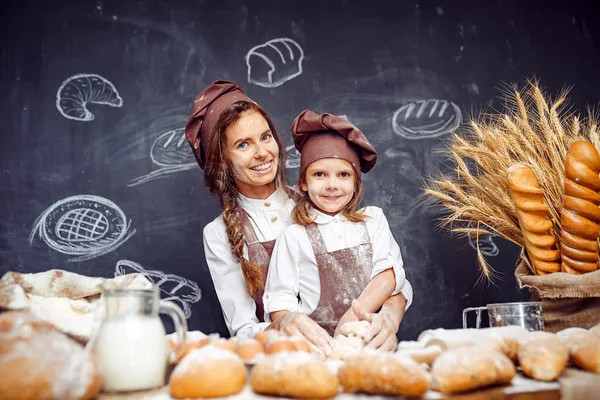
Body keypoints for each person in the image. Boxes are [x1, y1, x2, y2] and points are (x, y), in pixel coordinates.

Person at [263, 110, 413, 352]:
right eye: (319, 174)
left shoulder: (373, 221)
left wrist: (350, 321)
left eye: (343, 175)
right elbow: (280, 302)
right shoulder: (294, 236)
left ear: (356, 184)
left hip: (371, 344)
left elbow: (390, 276)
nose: (332, 185)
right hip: (317, 352)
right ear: (303, 182)